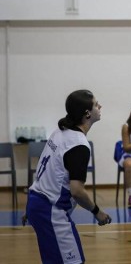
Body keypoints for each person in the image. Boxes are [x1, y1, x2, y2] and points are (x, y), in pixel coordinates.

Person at [24, 90, 111, 264]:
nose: (100, 106)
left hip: (38, 203)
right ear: (87, 113)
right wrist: (97, 212)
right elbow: (77, 191)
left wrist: (33, 207)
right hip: (51, 211)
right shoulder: (78, 144)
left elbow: (47, 171)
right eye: (96, 104)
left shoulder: (59, 131)